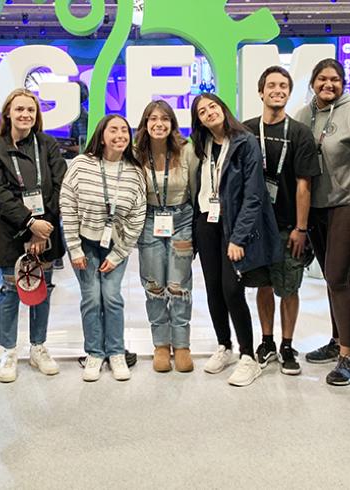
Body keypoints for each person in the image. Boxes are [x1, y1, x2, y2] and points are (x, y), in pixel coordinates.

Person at [294, 58, 350, 386]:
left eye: (335, 80)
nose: (328, 85)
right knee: (329, 276)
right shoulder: (305, 115)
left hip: (346, 206)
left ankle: (348, 355)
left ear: (344, 83)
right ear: (313, 82)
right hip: (315, 209)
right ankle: (334, 340)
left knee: (339, 278)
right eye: (322, 79)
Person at [190, 93, 281, 387]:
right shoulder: (201, 145)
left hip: (233, 225)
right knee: (213, 288)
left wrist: (239, 237)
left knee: (232, 289)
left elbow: (254, 195)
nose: (209, 113)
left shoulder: (245, 141)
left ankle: (248, 356)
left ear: (223, 108)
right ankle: (224, 346)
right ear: (199, 120)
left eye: (212, 107)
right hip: (207, 221)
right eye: (202, 112)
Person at [0, 88, 67, 383]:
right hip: (12, 231)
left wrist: (43, 227)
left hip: (46, 231)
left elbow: (59, 186)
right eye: (19, 109)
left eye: (30, 110)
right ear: (8, 113)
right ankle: (8, 351)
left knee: (41, 291)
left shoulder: (48, 145)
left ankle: (38, 347)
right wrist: (30, 223)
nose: (25, 115)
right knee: (9, 293)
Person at [242, 67, 321, 376]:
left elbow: (305, 184)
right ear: (261, 92)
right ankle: (267, 341)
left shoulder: (300, 132)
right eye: (271, 85)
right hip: (255, 228)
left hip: (288, 227)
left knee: (289, 288)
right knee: (261, 284)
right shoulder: (247, 131)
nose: (278, 89)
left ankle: (287, 344)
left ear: (289, 92)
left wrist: (301, 229)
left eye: (284, 85)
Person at [61, 115, 146, 382]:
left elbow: (138, 215)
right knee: (91, 298)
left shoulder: (134, 171)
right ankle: (95, 353)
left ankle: (116, 352)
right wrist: (74, 248)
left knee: (111, 296)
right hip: (84, 242)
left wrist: (119, 253)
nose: (120, 134)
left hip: (115, 244)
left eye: (125, 130)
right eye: (114, 130)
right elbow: (67, 204)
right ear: (101, 134)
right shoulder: (81, 164)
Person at [133, 100, 199, 373]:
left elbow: (196, 189)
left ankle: (182, 345)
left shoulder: (186, 151)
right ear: (145, 124)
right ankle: (161, 344)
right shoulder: (136, 153)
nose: (158, 124)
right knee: (154, 284)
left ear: (172, 123)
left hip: (181, 219)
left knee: (179, 284)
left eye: (164, 119)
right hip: (149, 221)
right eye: (152, 118)